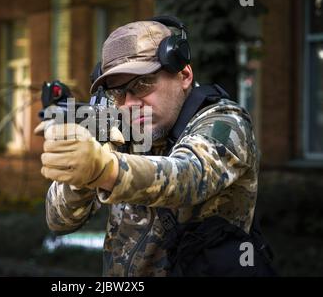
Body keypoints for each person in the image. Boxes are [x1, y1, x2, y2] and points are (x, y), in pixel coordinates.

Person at [37, 16, 275, 276]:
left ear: (184, 74)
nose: (129, 103)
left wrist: (105, 170)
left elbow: (188, 174)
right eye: (118, 93)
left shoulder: (225, 122)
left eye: (142, 84)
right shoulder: (118, 130)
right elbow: (59, 220)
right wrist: (78, 170)